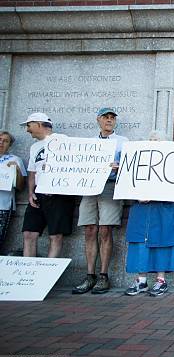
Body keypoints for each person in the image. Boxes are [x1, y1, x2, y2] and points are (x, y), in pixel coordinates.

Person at [73, 107, 129, 295]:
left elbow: (130, 166)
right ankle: (90, 275)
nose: (109, 120)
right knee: (89, 229)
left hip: (109, 186)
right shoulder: (89, 143)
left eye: (112, 117)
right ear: (98, 120)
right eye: (106, 117)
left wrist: (119, 166)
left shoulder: (122, 142)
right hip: (89, 188)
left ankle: (103, 275)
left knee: (106, 230)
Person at [124, 130, 174, 297]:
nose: (154, 142)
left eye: (157, 140)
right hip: (141, 209)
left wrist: (155, 195)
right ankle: (141, 280)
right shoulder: (139, 160)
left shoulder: (173, 163)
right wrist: (137, 195)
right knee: (140, 242)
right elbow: (129, 182)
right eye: (151, 139)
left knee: (161, 241)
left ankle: (161, 280)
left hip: (162, 208)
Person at [21, 113, 75, 258]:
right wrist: (31, 193)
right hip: (39, 194)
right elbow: (32, 172)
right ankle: (28, 273)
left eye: (29, 125)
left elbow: (75, 165)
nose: (27, 129)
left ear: (39, 124)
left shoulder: (63, 140)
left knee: (55, 235)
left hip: (59, 195)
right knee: (29, 233)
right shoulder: (34, 147)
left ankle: (48, 277)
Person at [0, 131, 26, 248]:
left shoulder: (15, 160)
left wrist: (16, 171)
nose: (1, 143)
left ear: (9, 145)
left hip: (3, 206)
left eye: (5, 141)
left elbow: (21, 187)